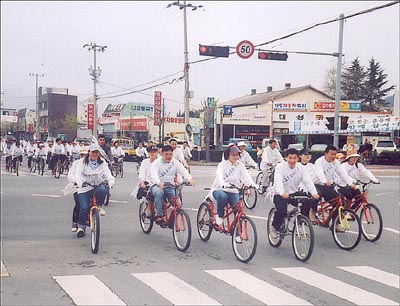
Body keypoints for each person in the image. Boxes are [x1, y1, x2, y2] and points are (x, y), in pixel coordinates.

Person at [270, 148, 320, 237]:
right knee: (282, 212)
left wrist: (314, 193)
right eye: (290, 158)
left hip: (293, 192)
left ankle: (300, 224)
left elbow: (307, 181)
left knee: (307, 201)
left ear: (298, 158)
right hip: (279, 193)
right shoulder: (280, 167)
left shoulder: (301, 168)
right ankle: (274, 227)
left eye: (294, 158)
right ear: (285, 158)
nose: (292, 161)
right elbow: (278, 180)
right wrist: (281, 193)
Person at [208, 146, 257, 228]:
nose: (235, 157)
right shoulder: (222, 165)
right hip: (220, 189)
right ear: (228, 155)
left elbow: (246, 177)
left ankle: (238, 235)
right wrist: (223, 183)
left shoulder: (240, 165)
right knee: (222, 196)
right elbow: (219, 176)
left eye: (237, 155)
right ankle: (219, 216)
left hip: (233, 191)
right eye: (233, 155)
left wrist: (253, 185)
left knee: (238, 211)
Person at [74, 144, 115, 237]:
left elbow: (107, 172)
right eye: (93, 152)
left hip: (97, 184)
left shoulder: (102, 162)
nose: (95, 154)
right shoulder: (82, 162)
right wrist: (79, 182)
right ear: (89, 152)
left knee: (103, 190)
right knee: (84, 207)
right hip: (84, 186)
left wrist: (111, 180)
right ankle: (81, 227)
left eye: (97, 152)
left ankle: (99, 206)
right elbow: (78, 174)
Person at [149, 145, 194, 223]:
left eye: (170, 154)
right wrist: (158, 182)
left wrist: (189, 179)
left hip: (170, 185)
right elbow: (154, 174)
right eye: (166, 154)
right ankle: (160, 215)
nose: (168, 156)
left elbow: (183, 171)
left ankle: (172, 221)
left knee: (177, 204)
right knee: (159, 193)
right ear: (162, 153)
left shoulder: (175, 162)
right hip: (157, 185)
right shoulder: (156, 163)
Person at [67, 149, 89, 232]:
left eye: (86, 155)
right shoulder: (76, 163)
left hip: (91, 186)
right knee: (79, 204)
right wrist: (77, 181)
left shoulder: (92, 163)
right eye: (82, 155)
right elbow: (70, 174)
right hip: (78, 187)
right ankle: (75, 222)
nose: (84, 157)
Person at [298, 148, 319, 222]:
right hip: (300, 187)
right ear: (300, 156)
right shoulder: (297, 166)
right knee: (305, 201)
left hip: (310, 186)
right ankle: (302, 219)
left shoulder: (312, 166)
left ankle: (313, 211)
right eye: (306, 154)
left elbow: (316, 176)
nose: (308, 156)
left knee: (318, 195)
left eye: (309, 155)